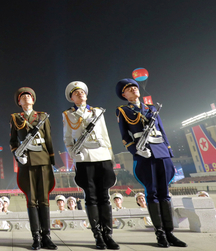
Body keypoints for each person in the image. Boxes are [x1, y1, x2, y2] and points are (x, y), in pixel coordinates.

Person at [115, 79, 186, 248]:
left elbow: (162, 130)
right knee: (152, 193)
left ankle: (170, 233)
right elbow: (125, 136)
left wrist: (169, 151)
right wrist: (135, 151)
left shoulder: (151, 109)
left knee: (165, 193)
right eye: (129, 89)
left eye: (135, 87)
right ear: (124, 95)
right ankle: (160, 233)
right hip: (144, 153)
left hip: (161, 152)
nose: (133, 90)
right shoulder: (123, 110)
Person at [63, 81, 119, 250]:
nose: (80, 94)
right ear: (71, 98)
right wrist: (73, 154)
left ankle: (108, 235)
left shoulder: (98, 112)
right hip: (84, 158)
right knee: (91, 197)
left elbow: (105, 135)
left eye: (82, 92)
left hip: (102, 156)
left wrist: (111, 156)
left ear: (86, 95)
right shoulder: (68, 115)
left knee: (104, 196)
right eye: (76, 93)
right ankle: (98, 236)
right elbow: (67, 138)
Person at [10, 87, 57, 250]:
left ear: (33, 100)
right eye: (22, 97)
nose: (26, 98)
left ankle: (47, 236)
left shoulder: (43, 116)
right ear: (19, 102)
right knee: (31, 200)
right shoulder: (16, 118)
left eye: (28, 96)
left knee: (43, 199)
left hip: (43, 158)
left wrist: (52, 159)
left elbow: (49, 138)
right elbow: (13, 141)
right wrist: (17, 155)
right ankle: (36, 237)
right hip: (27, 161)